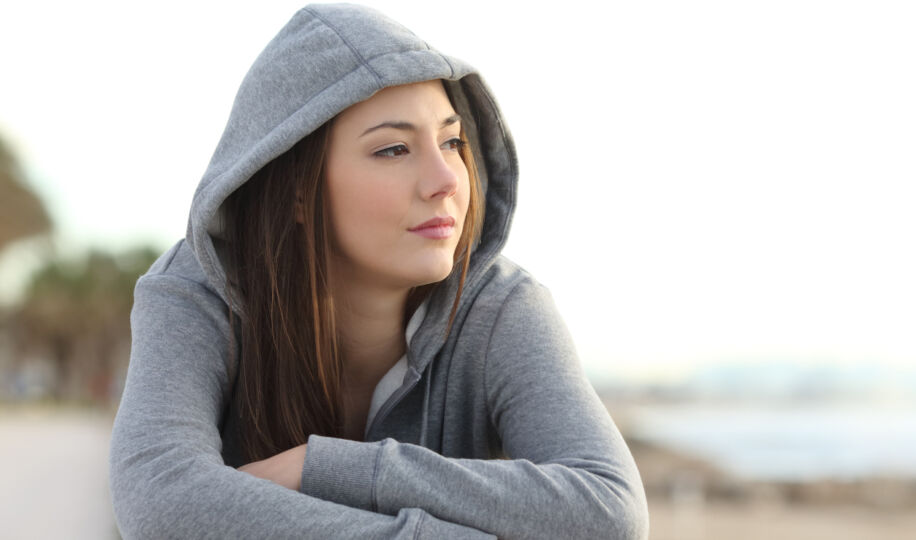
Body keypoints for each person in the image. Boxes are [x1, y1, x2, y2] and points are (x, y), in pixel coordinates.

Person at [108, 4, 648, 539]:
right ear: (298, 188)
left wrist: (333, 470)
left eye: (451, 142)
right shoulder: (199, 293)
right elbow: (160, 500)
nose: (446, 180)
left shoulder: (501, 307)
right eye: (393, 149)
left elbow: (609, 511)